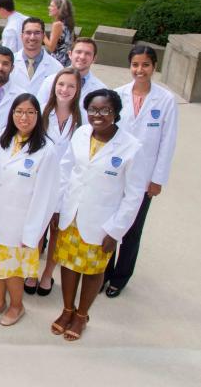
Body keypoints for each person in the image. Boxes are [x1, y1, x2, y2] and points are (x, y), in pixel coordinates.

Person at [52, 89, 146, 341]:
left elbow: (134, 195)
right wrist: (58, 207)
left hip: (102, 222)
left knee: (93, 271)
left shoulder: (131, 147)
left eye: (105, 110)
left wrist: (116, 231)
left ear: (116, 113)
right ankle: (67, 309)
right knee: (69, 265)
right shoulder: (81, 134)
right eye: (93, 109)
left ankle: (82, 315)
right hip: (72, 215)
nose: (98, 115)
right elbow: (66, 170)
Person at [0, 93, 60, 326]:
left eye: (30, 112)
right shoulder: (1, 139)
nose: (24, 117)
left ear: (38, 116)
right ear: (12, 114)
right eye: (19, 112)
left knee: (13, 270)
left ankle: (17, 305)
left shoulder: (46, 151)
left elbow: (46, 197)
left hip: (20, 223)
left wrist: (33, 232)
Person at [103, 46, 178, 298]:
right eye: (135, 65)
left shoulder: (165, 100)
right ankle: (104, 273)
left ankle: (120, 277)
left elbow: (167, 142)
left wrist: (157, 180)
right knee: (111, 224)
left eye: (145, 65)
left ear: (154, 67)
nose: (140, 70)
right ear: (129, 66)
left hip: (144, 178)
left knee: (133, 229)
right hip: (116, 173)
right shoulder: (118, 95)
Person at [32, 67, 83, 297]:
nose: (65, 90)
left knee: (57, 232)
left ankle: (47, 274)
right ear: (54, 87)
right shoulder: (41, 113)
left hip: (68, 186)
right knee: (38, 230)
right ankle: (32, 272)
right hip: (40, 181)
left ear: (78, 89)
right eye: (61, 84)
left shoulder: (82, 119)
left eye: (71, 86)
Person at [37, 38, 106, 112]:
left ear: (94, 59)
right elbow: (38, 110)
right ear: (70, 54)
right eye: (78, 52)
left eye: (88, 53)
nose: (82, 57)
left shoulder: (100, 89)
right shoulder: (50, 81)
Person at [11, 17, 63, 95]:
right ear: (22, 36)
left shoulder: (57, 68)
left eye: (37, 33)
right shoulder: (9, 63)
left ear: (43, 36)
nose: (32, 37)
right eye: (28, 33)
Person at [44, 0, 75, 67]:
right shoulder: (69, 24)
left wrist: (43, 36)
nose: (49, 8)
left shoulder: (57, 25)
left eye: (51, 6)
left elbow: (51, 48)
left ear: (60, 9)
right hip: (67, 61)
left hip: (57, 62)